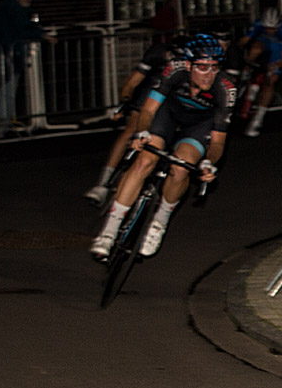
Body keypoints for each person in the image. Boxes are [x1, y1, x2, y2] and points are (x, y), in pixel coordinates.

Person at [89, 34, 235, 260]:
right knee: (145, 160)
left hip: (198, 125)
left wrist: (209, 162)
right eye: (203, 68)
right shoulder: (174, 70)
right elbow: (147, 111)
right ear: (188, 65)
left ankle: (160, 221)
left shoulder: (225, 88)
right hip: (168, 114)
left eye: (214, 67)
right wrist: (143, 132)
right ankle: (108, 232)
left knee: (182, 167)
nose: (209, 74)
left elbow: (217, 141)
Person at [83, 34, 192, 206]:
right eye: (172, 56)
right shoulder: (157, 53)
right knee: (131, 129)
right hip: (152, 91)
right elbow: (134, 81)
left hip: (177, 98)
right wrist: (125, 100)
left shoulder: (193, 67)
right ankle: (103, 183)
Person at [0, 0, 57, 127]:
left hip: (11, 53)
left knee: (7, 91)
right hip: (8, 54)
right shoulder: (12, 8)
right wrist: (42, 35)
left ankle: (6, 122)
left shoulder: (14, 7)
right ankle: (4, 125)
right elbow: (22, 28)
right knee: (6, 91)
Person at [236, 7, 282, 137]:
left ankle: (258, 119)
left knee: (271, 81)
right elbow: (242, 42)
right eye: (267, 28)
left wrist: (275, 66)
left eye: (273, 28)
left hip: (277, 52)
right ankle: (246, 76)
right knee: (256, 48)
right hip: (263, 44)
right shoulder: (258, 24)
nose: (270, 31)